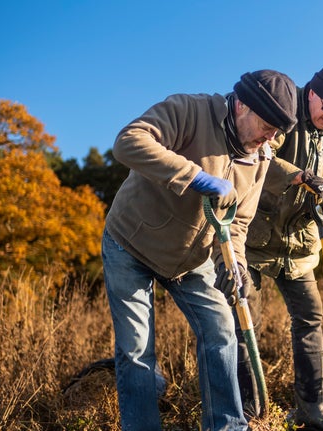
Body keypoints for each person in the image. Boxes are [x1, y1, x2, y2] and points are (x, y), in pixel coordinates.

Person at [102, 69, 298, 431]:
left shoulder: (262, 157)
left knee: (222, 331)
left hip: (192, 259)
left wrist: (235, 263)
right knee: (137, 350)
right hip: (131, 242)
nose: (271, 137)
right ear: (240, 105)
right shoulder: (189, 110)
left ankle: (226, 426)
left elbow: (238, 223)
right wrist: (198, 178)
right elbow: (128, 142)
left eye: (278, 131)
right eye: (267, 125)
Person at [228, 63, 323, 429]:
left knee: (310, 319)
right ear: (312, 93)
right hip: (254, 235)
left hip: (299, 244)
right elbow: (259, 156)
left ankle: (311, 406)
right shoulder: (284, 109)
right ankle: (250, 413)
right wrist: (300, 177)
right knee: (242, 320)